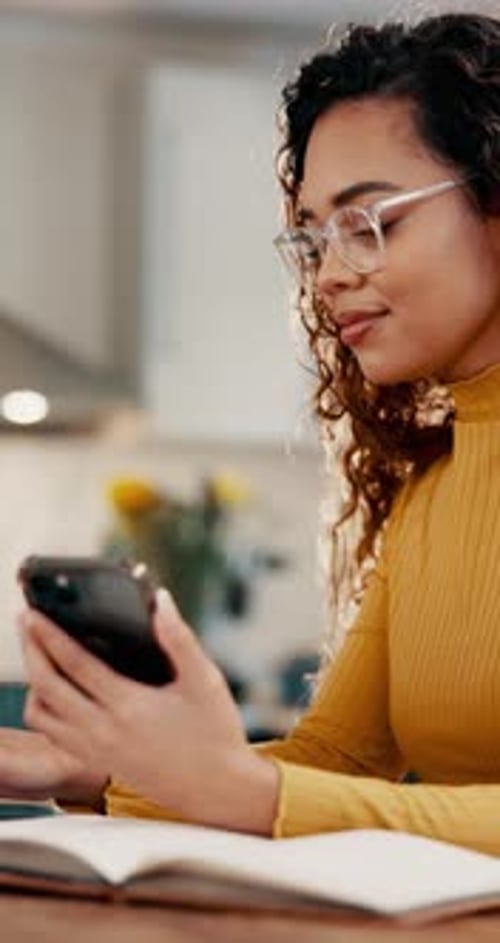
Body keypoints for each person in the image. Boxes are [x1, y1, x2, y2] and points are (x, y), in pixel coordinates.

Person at [3, 9, 500, 852]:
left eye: (372, 222)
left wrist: (241, 788)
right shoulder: (432, 494)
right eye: (313, 239)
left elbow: (272, 793)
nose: (331, 275)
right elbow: (335, 757)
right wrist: (89, 768)